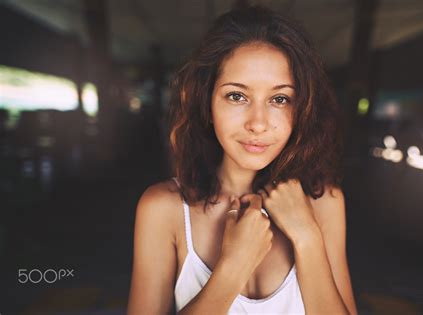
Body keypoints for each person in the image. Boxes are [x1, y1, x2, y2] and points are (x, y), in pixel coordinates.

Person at [127, 5, 357, 315]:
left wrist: (307, 238)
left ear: (301, 108)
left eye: (279, 99)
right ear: (207, 102)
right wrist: (233, 267)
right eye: (237, 96)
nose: (258, 123)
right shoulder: (164, 209)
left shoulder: (323, 202)